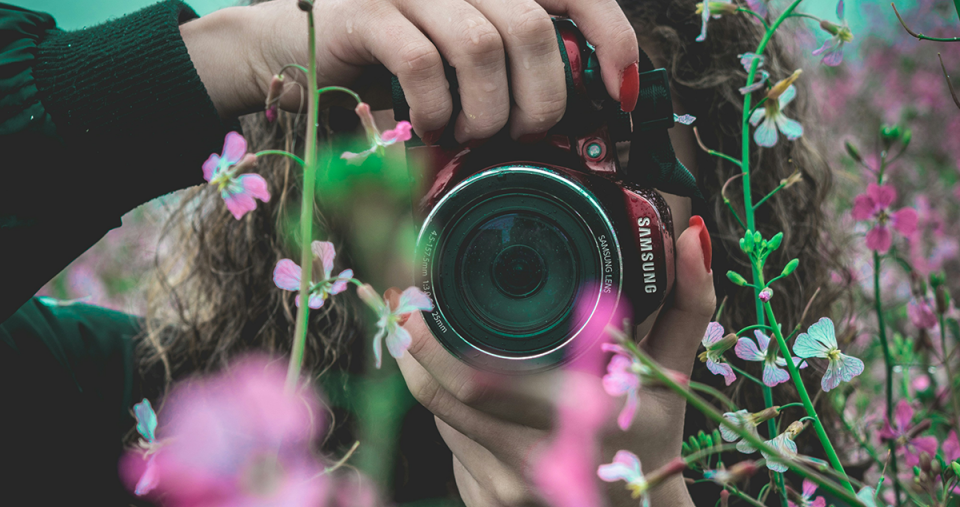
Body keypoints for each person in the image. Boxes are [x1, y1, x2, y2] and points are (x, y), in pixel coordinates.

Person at [0, 0, 836, 505]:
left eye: (598, 146)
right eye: (458, 142)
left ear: (724, 189)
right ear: (334, 182)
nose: (520, 216)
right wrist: (235, 52)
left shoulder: (813, 476)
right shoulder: (169, 438)